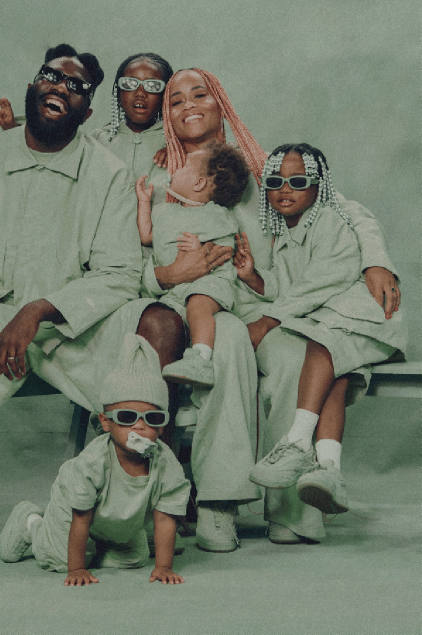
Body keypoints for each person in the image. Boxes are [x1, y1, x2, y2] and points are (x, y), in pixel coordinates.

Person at [0, 44, 184, 569]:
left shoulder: (109, 173)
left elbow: (118, 272)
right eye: (52, 76)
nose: (61, 87)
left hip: (73, 319)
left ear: (87, 112)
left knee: (160, 321)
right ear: (32, 87)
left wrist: (42, 309)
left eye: (77, 87)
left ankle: (125, 508)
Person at [141, 68, 401, 550]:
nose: (188, 105)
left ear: (221, 103)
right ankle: (219, 503)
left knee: (295, 358)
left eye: (200, 94)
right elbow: (133, 253)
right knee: (227, 348)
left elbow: (344, 209)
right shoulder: (161, 178)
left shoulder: (262, 166)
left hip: (272, 302)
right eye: (175, 100)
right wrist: (171, 272)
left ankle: (296, 508)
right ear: (167, 117)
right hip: (204, 306)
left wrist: (375, 260)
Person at [234, 143, 404, 521]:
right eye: (275, 182)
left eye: (298, 181)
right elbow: (290, 287)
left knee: (320, 345)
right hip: (333, 321)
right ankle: (328, 469)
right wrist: (254, 278)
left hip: (364, 316)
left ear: (318, 185)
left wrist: (267, 321)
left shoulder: (329, 219)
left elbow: (326, 279)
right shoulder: (286, 234)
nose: (285, 189)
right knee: (334, 377)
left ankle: (296, 442)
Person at [0, 333, 190, 585]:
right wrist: (77, 568)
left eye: (152, 419)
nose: (139, 427)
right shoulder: (94, 462)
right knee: (60, 560)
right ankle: (33, 524)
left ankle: (103, 543)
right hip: (74, 509)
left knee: (136, 560)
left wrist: (163, 567)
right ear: (105, 422)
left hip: (115, 523)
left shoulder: (166, 464)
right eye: (126, 417)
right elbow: (81, 517)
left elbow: (164, 517)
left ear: (162, 426)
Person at [136, 143, 249, 387]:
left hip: (209, 285)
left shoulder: (215, 215)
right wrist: (144, 202)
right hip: (174, 291)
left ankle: (200, 359)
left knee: (198, 305)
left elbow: (225, 248)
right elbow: (147, 236)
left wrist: (200, 248)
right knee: (163, 322)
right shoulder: (165, 211)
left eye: (184, 167)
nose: (175, 170)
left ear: (198, 183)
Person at [0, 52, 174, 182]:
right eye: (129, 84)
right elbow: (55, 145)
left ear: (166, 95)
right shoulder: (98, 139)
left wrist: (178, 148)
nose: (140, 93)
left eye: (153, 86)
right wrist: (12, 127)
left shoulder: (175, 142)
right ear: (118, 93)